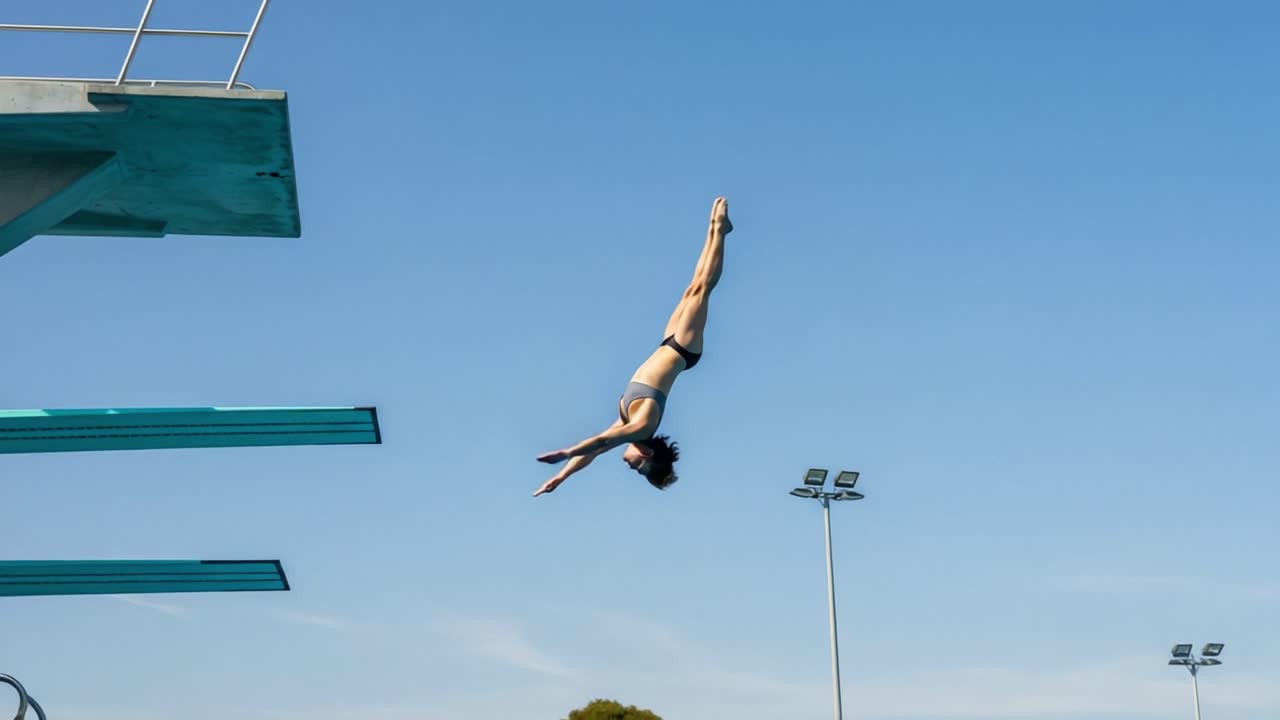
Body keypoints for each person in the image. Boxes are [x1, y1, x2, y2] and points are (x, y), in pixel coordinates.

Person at [534, 196, 733, 496]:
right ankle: (719, 231)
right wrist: (567, 452)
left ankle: (715, 229)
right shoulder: (642, 426)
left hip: (668, 343)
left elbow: (596, 449)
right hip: (683, 350)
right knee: (702, 289)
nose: (629, 467)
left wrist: (562, 476)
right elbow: (600, 443)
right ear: (648, 454)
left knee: (692, 287)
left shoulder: (629, 421)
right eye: (637, 468)